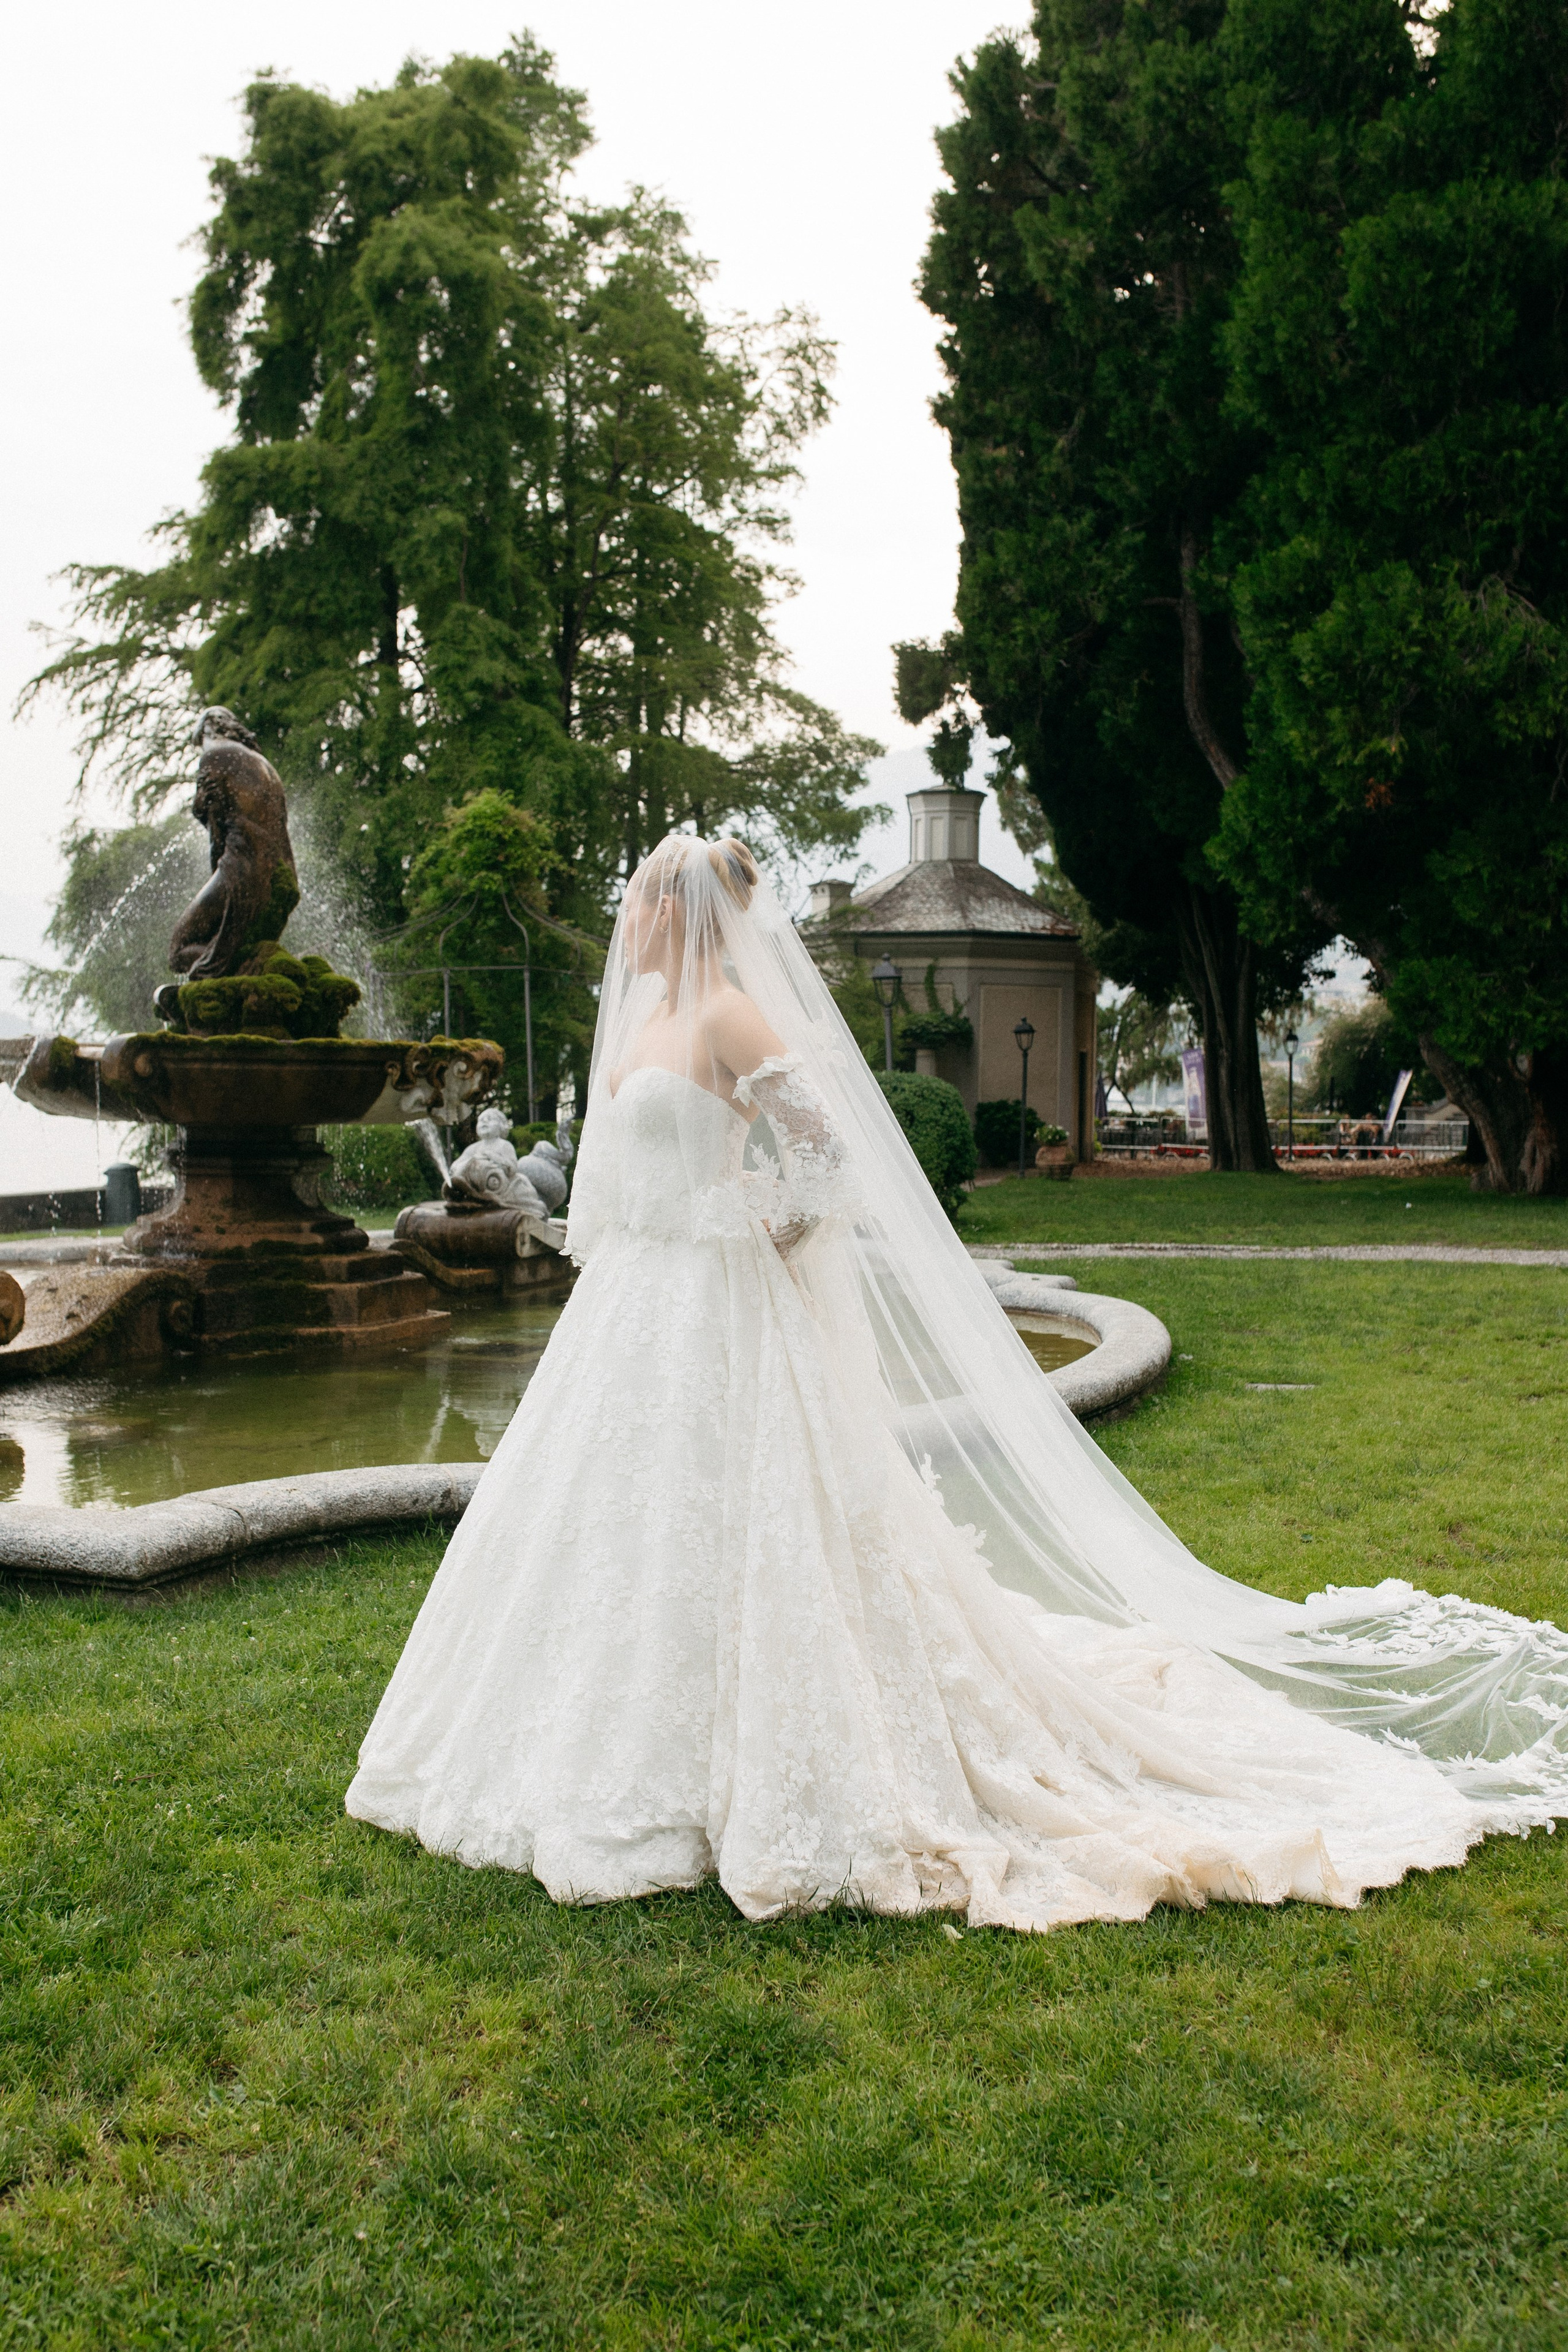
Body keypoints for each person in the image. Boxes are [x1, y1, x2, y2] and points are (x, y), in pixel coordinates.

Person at [347, 836, 1568, 1931]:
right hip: (633, 1317)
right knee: (622, 1529)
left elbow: (824, 1160)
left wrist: (744, 1229)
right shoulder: (646, 1022)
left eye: (651, 907)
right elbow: (620, 1185)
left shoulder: (727, 1017)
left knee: (764, 1526)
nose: (636, 928)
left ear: (694, 915)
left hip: (722, 1300)